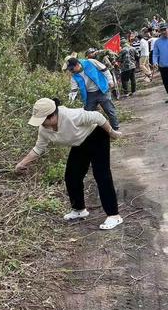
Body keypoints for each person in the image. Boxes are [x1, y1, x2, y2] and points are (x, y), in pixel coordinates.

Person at [15, 98, 123, 230]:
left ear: (53, 115)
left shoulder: (71, 116)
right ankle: (79, 209)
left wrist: (112, 133)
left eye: (44, 120)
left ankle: (114, 215)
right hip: (78, 144)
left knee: (101, 174)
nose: (42, 124)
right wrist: (22, 163)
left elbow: (98, 117)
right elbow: (38, 149)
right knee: (72, 176)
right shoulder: (44, 129)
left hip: (96, 136)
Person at [63, 56, 120, 130]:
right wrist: (70, 102)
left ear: (77, 65)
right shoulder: (74, 77)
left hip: (102, 90)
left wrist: (110, 81)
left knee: (109, 110)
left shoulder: (91, 62)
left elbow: (104, 70)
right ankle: (92, 132)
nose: (71, 71)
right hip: (89, 95)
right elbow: (73, 90)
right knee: (88, 114)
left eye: (71, 69)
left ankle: (115, 129)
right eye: (69, 70)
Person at [153, 22, 168, 103]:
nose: (163, 32)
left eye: (164, 29)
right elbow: (155, 54)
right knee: (166, 83)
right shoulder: (157, 42)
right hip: (163, 66)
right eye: (161, 30)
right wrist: (155, 62)